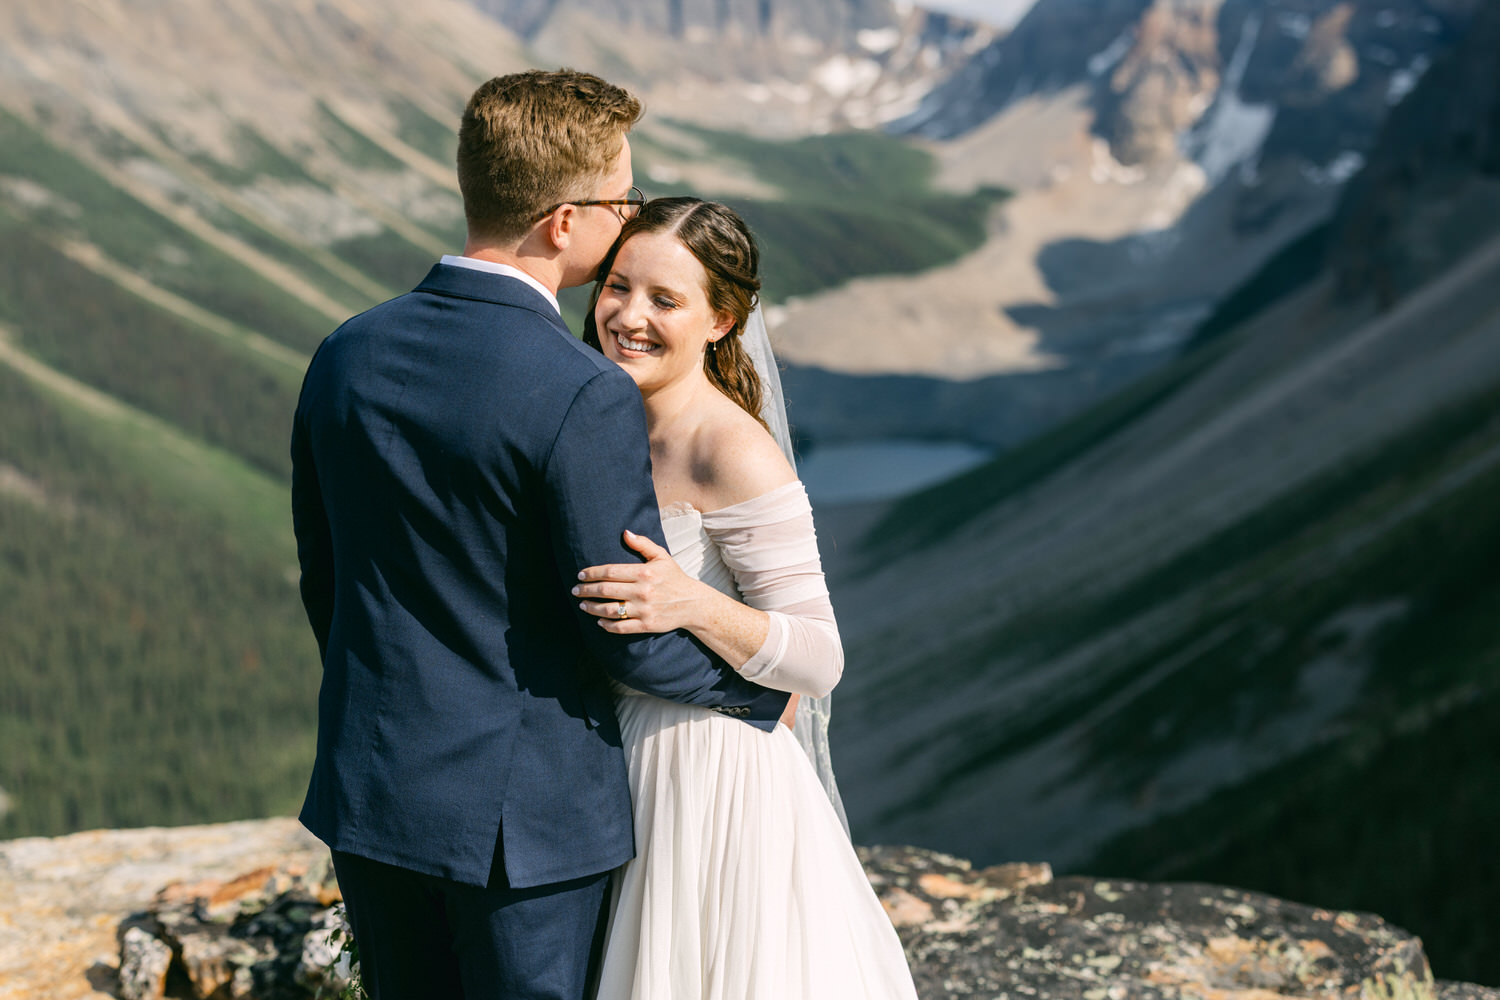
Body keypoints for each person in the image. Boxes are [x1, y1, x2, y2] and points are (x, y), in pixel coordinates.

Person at [290, 73, 790, 1000]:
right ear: (566, 221)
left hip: (371, 792)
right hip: (525, 825)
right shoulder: (579, 388)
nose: (632, 214)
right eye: (623, 198)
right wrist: (757, 696)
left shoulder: (346, 351)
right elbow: (621, 623)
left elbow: (326, 579)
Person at [574, 198, 919, 999]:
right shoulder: (602, 422)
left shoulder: (731, 448)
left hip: (713, 783)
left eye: (666, 300)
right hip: (617, 767)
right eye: (618, 286)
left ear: (721, 321)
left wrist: (690, 603)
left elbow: (819, 657)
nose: (628, 316)